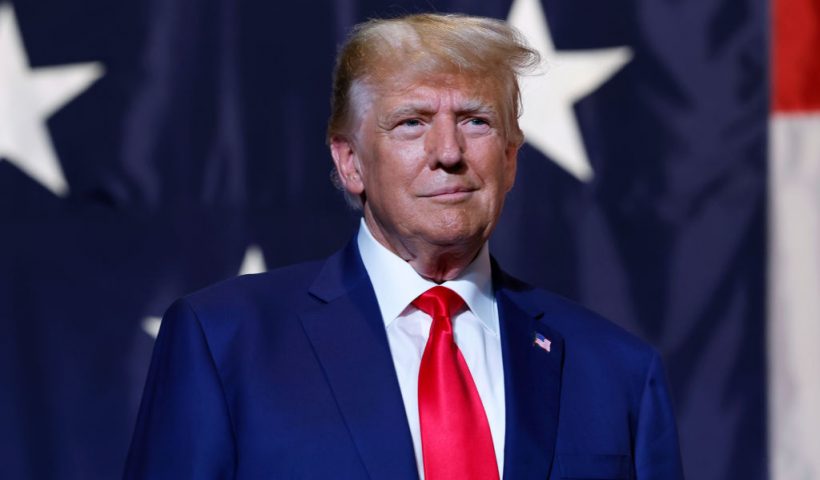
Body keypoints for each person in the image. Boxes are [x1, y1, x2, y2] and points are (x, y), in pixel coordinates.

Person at [124, 13, 684, 480]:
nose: (448, 151)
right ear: (350, 163)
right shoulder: (224, 343)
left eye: (476, 121)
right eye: (412, 122)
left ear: (511, 158)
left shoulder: (617, 370)